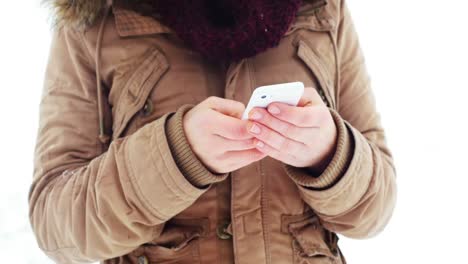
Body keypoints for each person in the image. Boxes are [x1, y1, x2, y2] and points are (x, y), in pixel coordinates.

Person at [29, 0, 397, 263]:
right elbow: (56, 225)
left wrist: (331, 153)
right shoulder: (94, 20)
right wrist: (174, 157)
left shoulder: (324, 10)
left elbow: (374, 211)